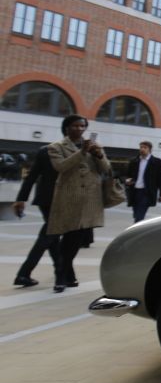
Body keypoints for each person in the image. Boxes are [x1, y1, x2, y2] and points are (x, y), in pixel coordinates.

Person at [47, 115, 110, 293]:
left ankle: (66, 274)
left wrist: (98, 155)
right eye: (75, 126)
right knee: (70, 238)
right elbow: (61, 167)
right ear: (67, 128)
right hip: (69, 197)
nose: (79, 129)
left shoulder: (94, 146)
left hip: (90, 199)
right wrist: (81, 152)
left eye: (82, 126)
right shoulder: (56, 147)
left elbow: (106, 169)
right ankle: (61, 275)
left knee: (77, 239)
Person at [12, 146, 60, 288]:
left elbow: (31, 176)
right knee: (48, 235)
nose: (79, 129)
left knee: (52, 236)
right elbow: (32, 175)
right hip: (57, 201)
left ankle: (62, 271)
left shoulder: (46, 150)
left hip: (44, 199)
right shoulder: (71, 150)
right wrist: (21, 199)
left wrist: (21, 198)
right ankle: (23, 273)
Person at [124, 140, 161, 222]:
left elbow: (160, 178)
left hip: (146, 192)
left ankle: (136, 230)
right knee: (136, 213)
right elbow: (127, 175)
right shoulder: (134, 161)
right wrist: (127, 180)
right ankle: (137, 224)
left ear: (150, 149)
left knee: (139, 215)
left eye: (145, 147)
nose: (142, 149)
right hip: (134, 191)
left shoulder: (156, 162)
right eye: (141, 147)